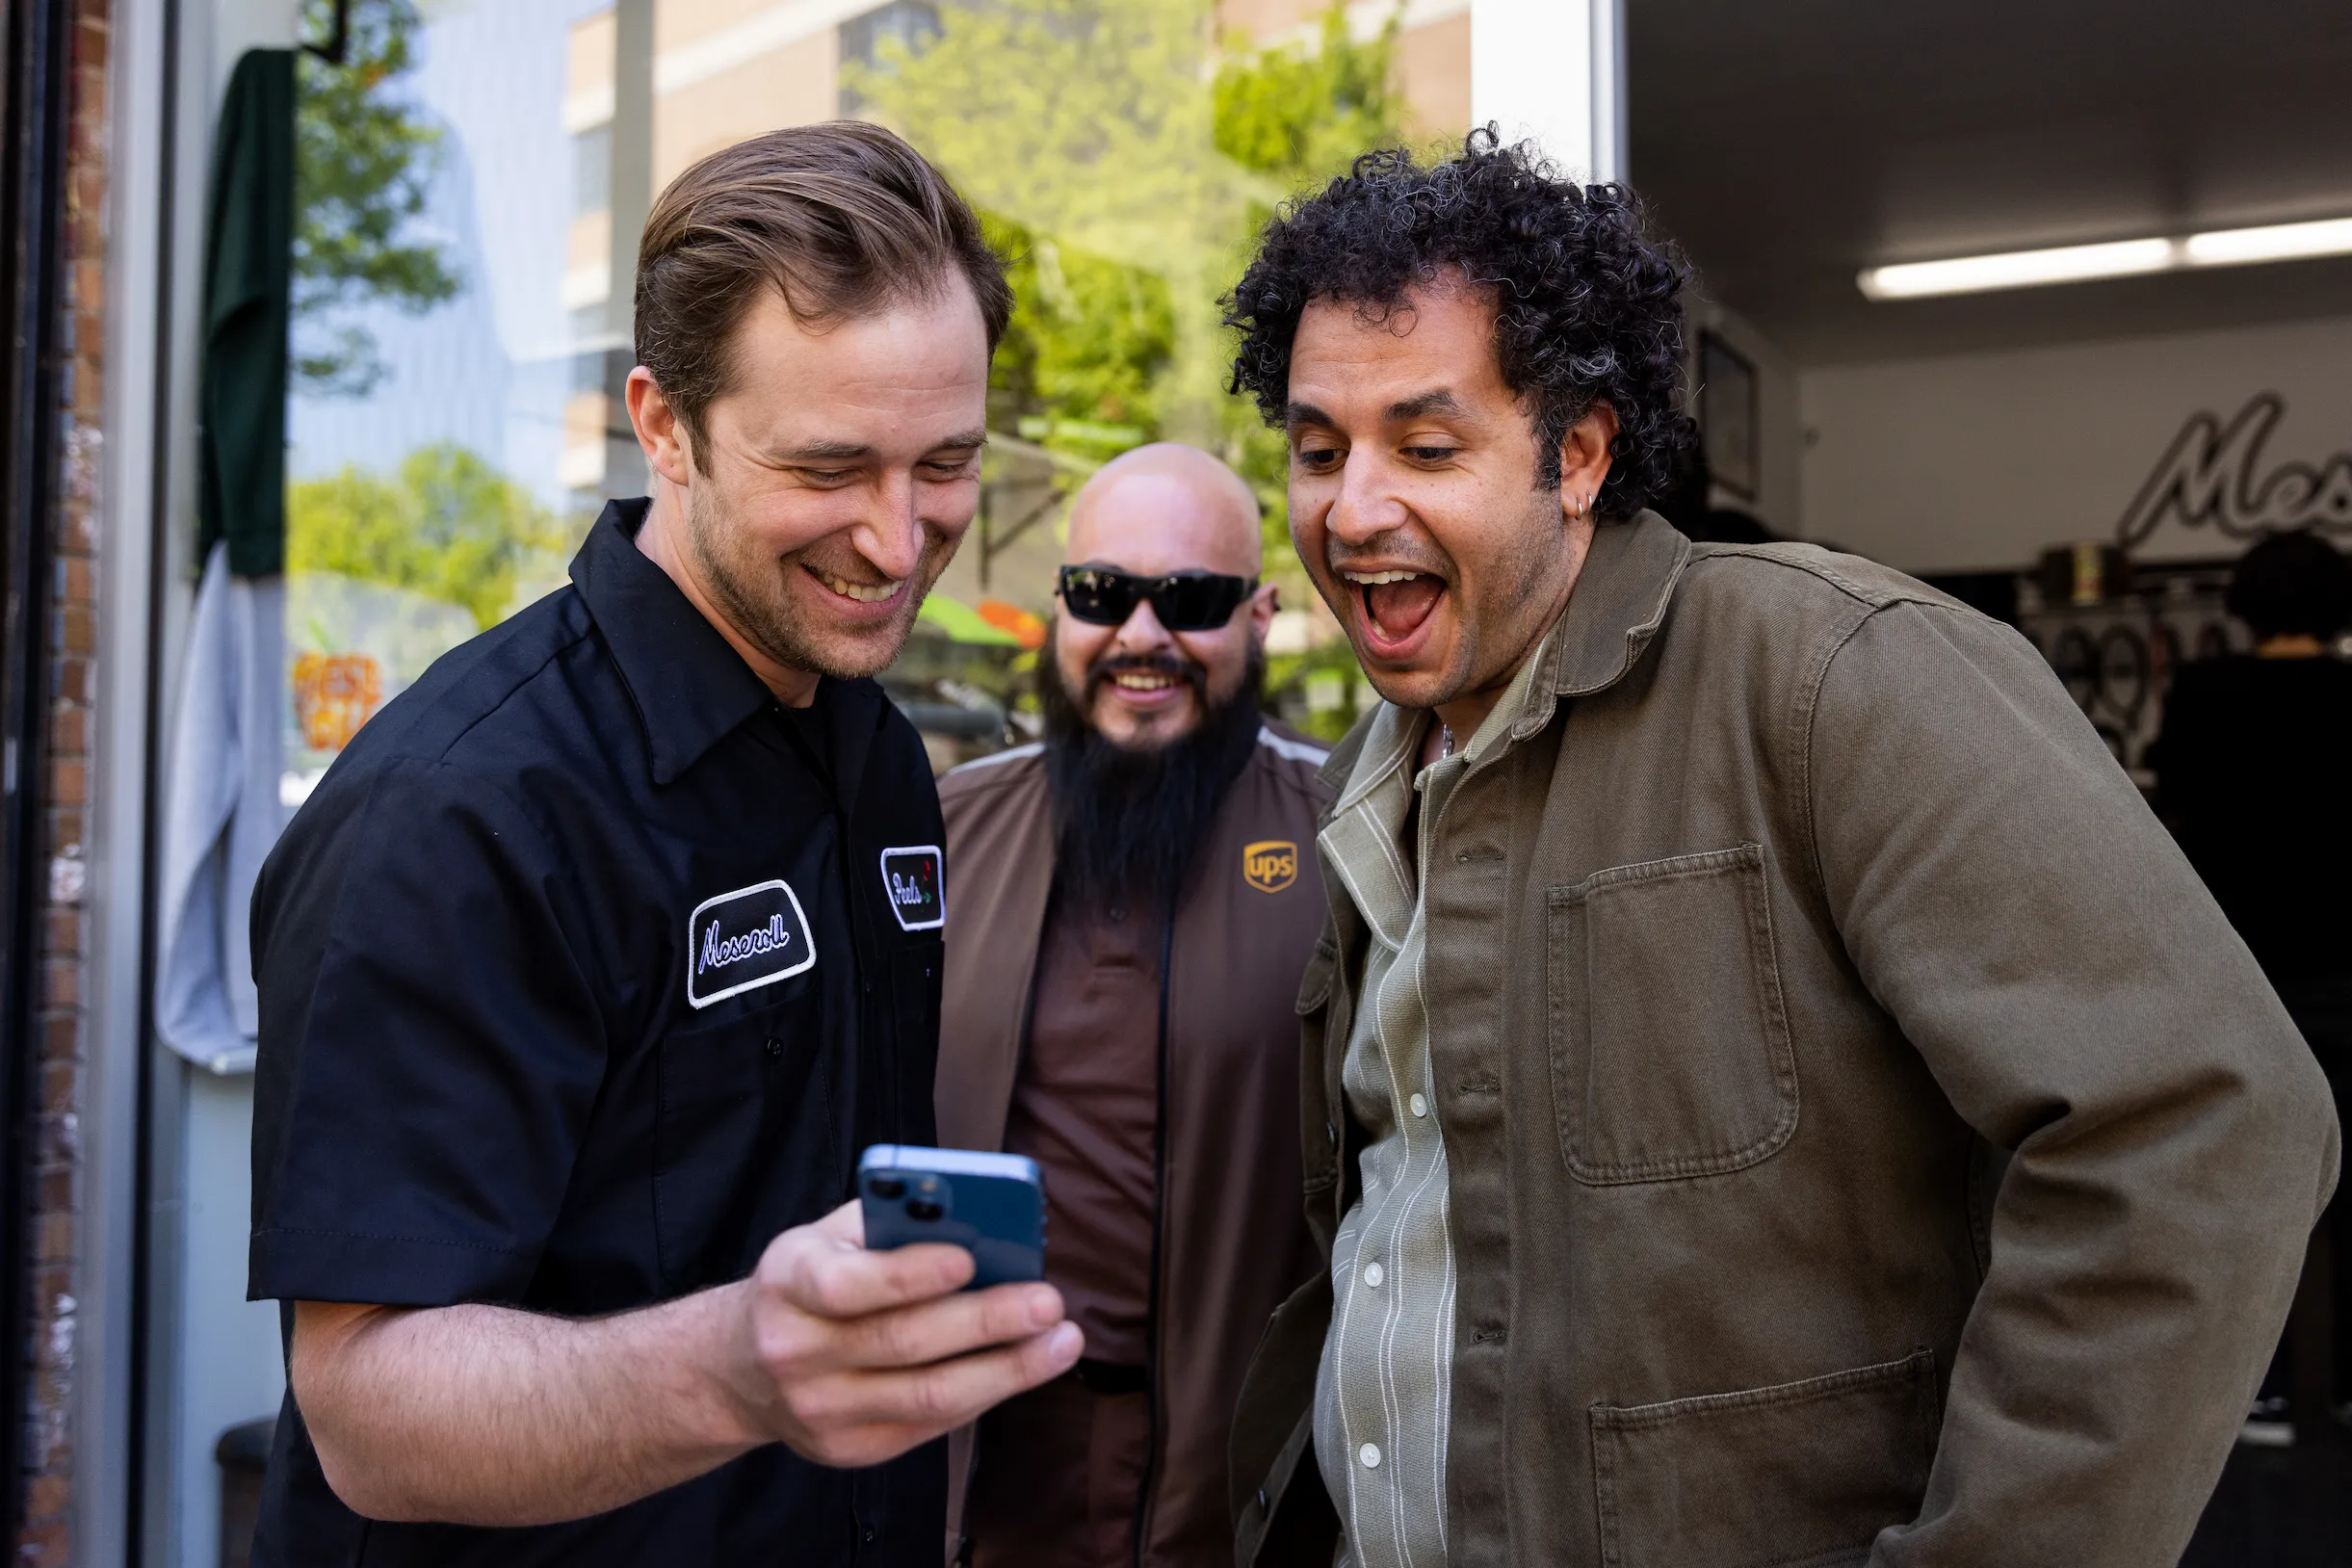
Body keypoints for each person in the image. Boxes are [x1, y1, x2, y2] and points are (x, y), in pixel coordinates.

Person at [1218, 130, 2339, 1568]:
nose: (1350, 508)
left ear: (1577, 453)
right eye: (1317, 451)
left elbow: (2204, 1119)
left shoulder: (1830, 674)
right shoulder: (1371, 772)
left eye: (1425, 446)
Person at [245, 123, 1084, 1567]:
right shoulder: (461, 812)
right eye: (830, 465)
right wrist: (738, 1369)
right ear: (663, 425)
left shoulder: (874, 753)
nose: (898, 541)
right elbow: (363, 1414)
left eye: (945, 462)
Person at [933, 444, 1331, 1567]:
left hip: (1247, 1484)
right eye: (1103, 594)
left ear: (1258, 618)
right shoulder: (942, 832)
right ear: (1061, 610)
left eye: (1190, 599)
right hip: (984, 1472)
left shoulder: (1350, 834)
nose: (1141, 636)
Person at [2154, 528, 2352, 1441]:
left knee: (2246, 1177)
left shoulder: (2206, 692)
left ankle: (2260, 1383)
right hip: (2344, 962)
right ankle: (2342, 1377)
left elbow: (2172, 824)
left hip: (2242, 968)